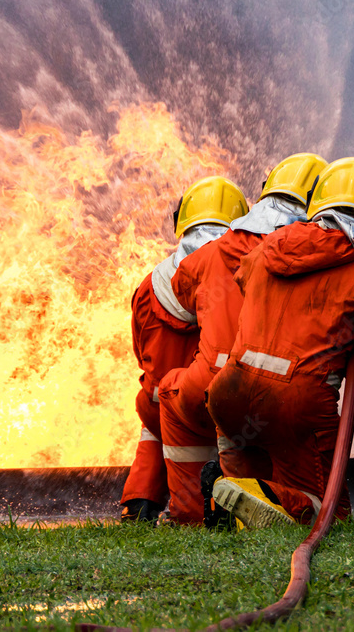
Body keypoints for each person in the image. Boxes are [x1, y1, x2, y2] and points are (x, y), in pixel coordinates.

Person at [207, 157, 354, 529]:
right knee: (329, 513)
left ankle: (233, 494)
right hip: (296, 406)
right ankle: (257, 493)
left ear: (317, 201)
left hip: (228, 391)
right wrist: (341, 349)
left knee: (251, 490)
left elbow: (243, 279)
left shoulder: (269, 245)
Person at [158, 154, 327, 525]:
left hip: (225, 389)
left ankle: (208, 507)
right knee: (328, 509)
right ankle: (269, 496)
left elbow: (181, 295)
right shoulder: (315, 256)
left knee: (168, 393)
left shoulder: (213, 253)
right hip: (287, 392)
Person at [120, 176, 249, 522]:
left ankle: (140, 500)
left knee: (153, 410)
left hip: (163, 407)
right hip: (221, 410)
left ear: (181, 223)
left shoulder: (149, 286)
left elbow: (141, 354)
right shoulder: (242, 275)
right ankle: (229, 502)